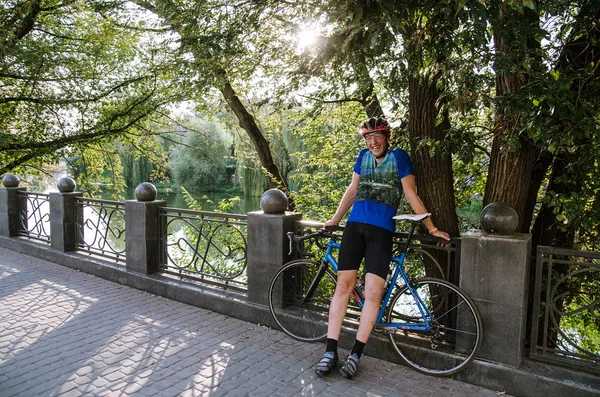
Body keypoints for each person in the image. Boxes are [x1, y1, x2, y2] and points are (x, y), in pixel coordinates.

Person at [315, 116, 451, 379]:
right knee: (343, 286)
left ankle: (355, 354)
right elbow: (352, 190)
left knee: (374, 293)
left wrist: (431, 228)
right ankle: (330, 351)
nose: (373, 141)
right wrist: (335, 219)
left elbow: (411, 193)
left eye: (378, 136)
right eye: (368, 137)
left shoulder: (399, 157)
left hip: (381, 231)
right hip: (355, 227)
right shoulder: (362, 157)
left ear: (387, 137)